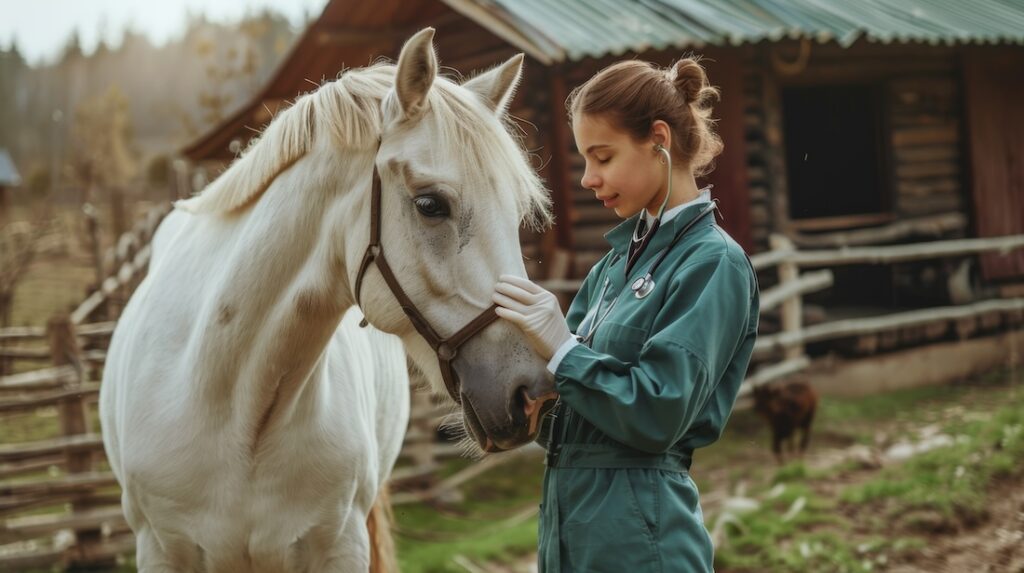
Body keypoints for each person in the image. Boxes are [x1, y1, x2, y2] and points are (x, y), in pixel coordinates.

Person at [492, 56, 760, 572]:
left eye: (603, 157)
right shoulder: (613, 266)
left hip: (639, 541)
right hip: (570, 535)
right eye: (585, 160)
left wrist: (565, 352)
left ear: (658, 140)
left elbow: (658, 414)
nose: (589, 178)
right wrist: (536, 397)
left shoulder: (713, 264)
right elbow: (583, 412)